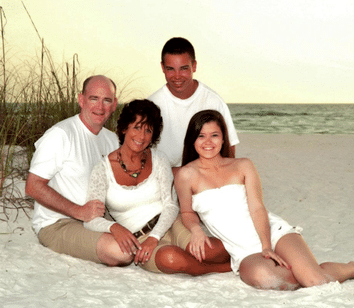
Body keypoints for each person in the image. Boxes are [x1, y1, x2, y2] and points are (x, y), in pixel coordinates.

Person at [174, 109, 354, 290]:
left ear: (223, 138)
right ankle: (308, 271)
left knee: (317, 282)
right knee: (273, 281)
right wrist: (196, 230)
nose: (208, 142)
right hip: (242, 250)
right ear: (192, 140)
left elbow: (257, 207)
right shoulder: (185, 175)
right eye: (201, 136)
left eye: (214, 135)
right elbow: (187, 212)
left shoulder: (243, 165)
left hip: (272, 233)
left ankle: (349, 268)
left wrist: (267, 246)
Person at [84, 99, 231, 274]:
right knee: (169, 258)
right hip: (140, 238)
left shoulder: (159, 159)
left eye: (148, 130)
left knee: (208, 251)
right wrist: (114, 228)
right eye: (137, 127)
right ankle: (226, 268)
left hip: (171, 222)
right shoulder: (102, 169)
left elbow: (170, 204)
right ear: (124, 128)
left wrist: (155, 236)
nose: (142, 136)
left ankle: (233, 259)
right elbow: (90, 220)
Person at [25, 75, 133, 266]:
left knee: (142, 232)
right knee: (122, 252)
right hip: (58, 224)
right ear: (81, 100)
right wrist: (78, 211)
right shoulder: (61, 135)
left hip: (98, 219)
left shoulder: (112, 140)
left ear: (115, 104)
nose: (100, 107)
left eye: (106, 100)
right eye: (94, 98)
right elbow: (33, 187)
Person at [148, 37, 239, 172]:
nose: (177, 76)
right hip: (163, 178)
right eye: (171, 69)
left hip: (204, 179)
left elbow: (229, 150)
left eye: (184, 68)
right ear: (162, 68)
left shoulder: (213, 102)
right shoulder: (152, 105)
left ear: (194, 66)